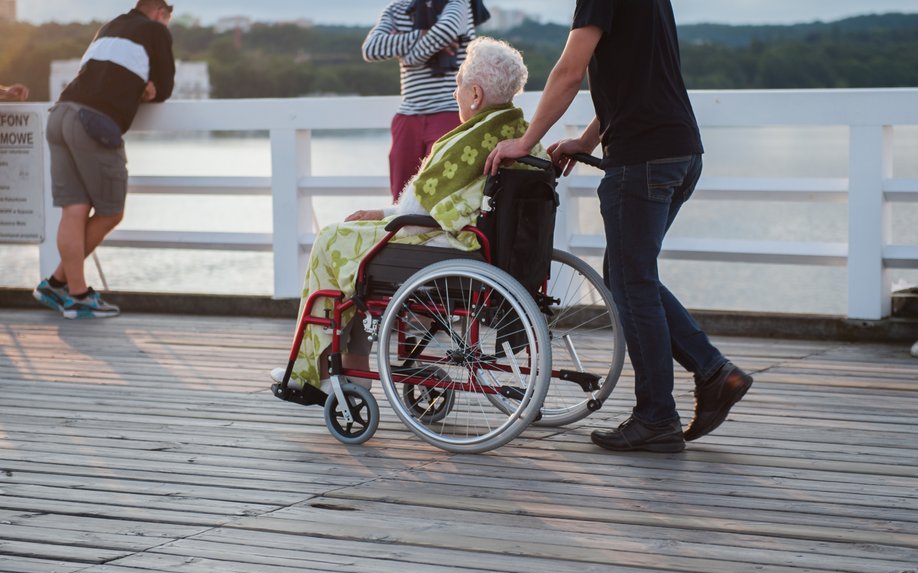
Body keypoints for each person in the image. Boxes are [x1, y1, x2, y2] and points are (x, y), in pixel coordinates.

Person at [485, 0, 753, 452]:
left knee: (632, 281)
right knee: (631, 278)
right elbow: (634, 78)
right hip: (681, 152)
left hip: (643, 159)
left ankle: (656, 416)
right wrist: (588, 140)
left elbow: (571, 69)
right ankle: (713, 372)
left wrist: (525, 142)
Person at [272, 36, 543, 394]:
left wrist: (383, 214)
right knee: (354, 245)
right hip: (489, 251)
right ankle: (350, 373)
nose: (454, 94)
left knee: (331, 240)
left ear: (475, 95)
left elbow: (414, 213)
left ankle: (314, 369)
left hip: (446, 249)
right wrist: (383, 214)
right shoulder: (520, 135)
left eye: (459, 84)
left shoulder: (467, 140)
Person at [33, 0, 175, 319]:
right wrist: (149, 91)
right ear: (159, 11)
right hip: (92, 122)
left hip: (60, 114)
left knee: (74, 209)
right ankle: (75, 293)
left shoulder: (109, 27)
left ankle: (60, 286)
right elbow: (164, 88)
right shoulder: (155, 31)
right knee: (111, 212)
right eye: (168, 15)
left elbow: (101, 75)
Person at [362, 0, 479, 202]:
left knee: (444, 194)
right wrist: (422, 35)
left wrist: (410, 55)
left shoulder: (458, 3)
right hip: (408, 116)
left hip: (451, 111)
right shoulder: (397, 9)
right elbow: (371, 49)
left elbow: (446, 29)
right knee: (401, 196)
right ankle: (404, 233)